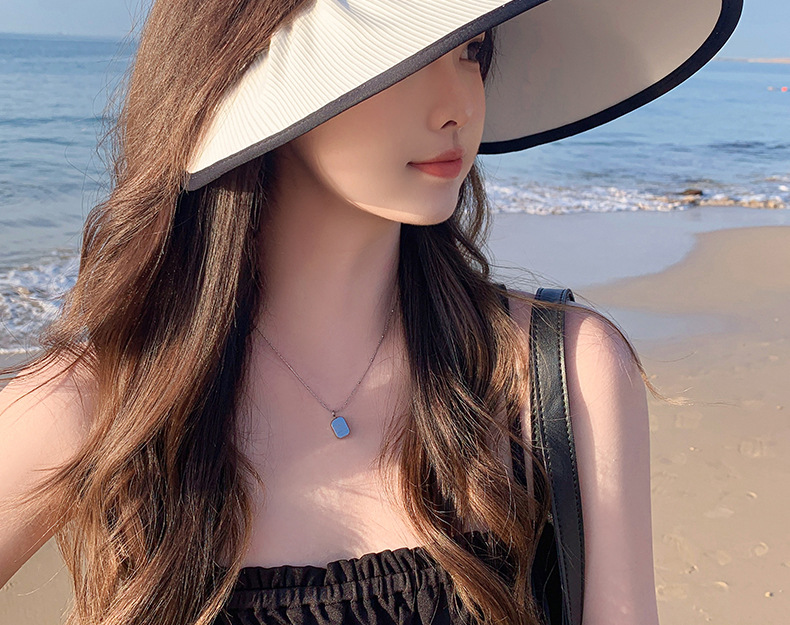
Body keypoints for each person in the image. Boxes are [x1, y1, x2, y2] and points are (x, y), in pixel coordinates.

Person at [0, 1, 741, 625]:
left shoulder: (556, 373)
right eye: (408, 53)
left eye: (471, 50)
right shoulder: (104, 404)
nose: (459, 106)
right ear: (251, 68)